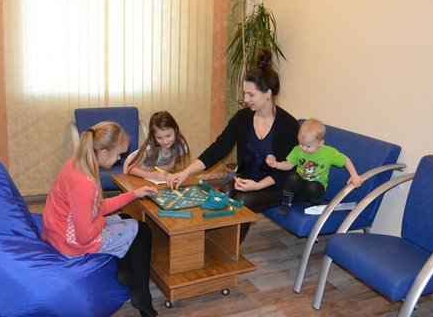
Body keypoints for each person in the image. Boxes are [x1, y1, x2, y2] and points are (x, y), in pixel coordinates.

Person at [166, 50, 299, 242]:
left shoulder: (288, 125)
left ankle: (229, 252)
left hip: (274, 185)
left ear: (267, 93)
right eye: (244, 93)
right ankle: (212, 244)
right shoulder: (242, 118)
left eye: (251, 94)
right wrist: (185, 172)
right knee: (222, 194)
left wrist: (257, 185)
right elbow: (219, 148)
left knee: (243, 201)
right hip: (246, 179)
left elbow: (287, 169)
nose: (245, 99)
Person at [42, 121, 159, 317]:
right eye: (118, 154)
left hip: (58, 231)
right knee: (142, 230)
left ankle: (126, 274)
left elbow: (97, 207)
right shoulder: (85, 184)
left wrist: (134, 194)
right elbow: (85, 236)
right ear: (104, 153)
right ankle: (142, 298)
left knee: (126, 218)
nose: (119, 158)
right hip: (71, 243)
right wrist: (103, 220)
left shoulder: (75, 164)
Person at [265, 118, 363, 215]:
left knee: (313, 187)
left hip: (316, 189)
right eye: (301, 144)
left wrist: (354, 175)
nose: (303, 148)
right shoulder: (298, 150)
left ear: (321, 143)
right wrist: (277, 164)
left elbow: (345, 160)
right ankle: (286, 203)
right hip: (300, 187)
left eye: (308, 146)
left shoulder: (329, 153)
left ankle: (315, 203)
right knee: (292, 177)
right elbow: (288, 165)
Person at [124, 110, 190, 183]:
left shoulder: (180, 145)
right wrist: (151, 174)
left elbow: (171, 166)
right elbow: (130, 169)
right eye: (159, 138)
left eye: (168, 136)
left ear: (175, 130)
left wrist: (150, 169)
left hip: (153, 172)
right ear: (153, 136)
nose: (165, 141)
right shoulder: (148, 148)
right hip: (134, 168)